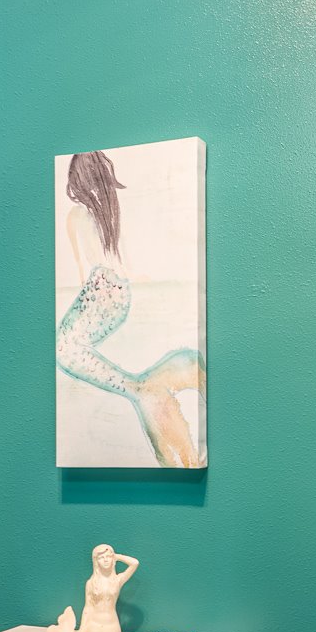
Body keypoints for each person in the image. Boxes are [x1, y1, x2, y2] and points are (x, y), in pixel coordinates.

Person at [57, 150, 204, 466]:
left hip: (99, 289)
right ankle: (146, 385)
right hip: (119, 293)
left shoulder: (77, 216)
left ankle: (137, 388)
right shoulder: (110, 214)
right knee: (69, 347)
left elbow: (86, 271)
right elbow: (122, 266)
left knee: (64, 348)